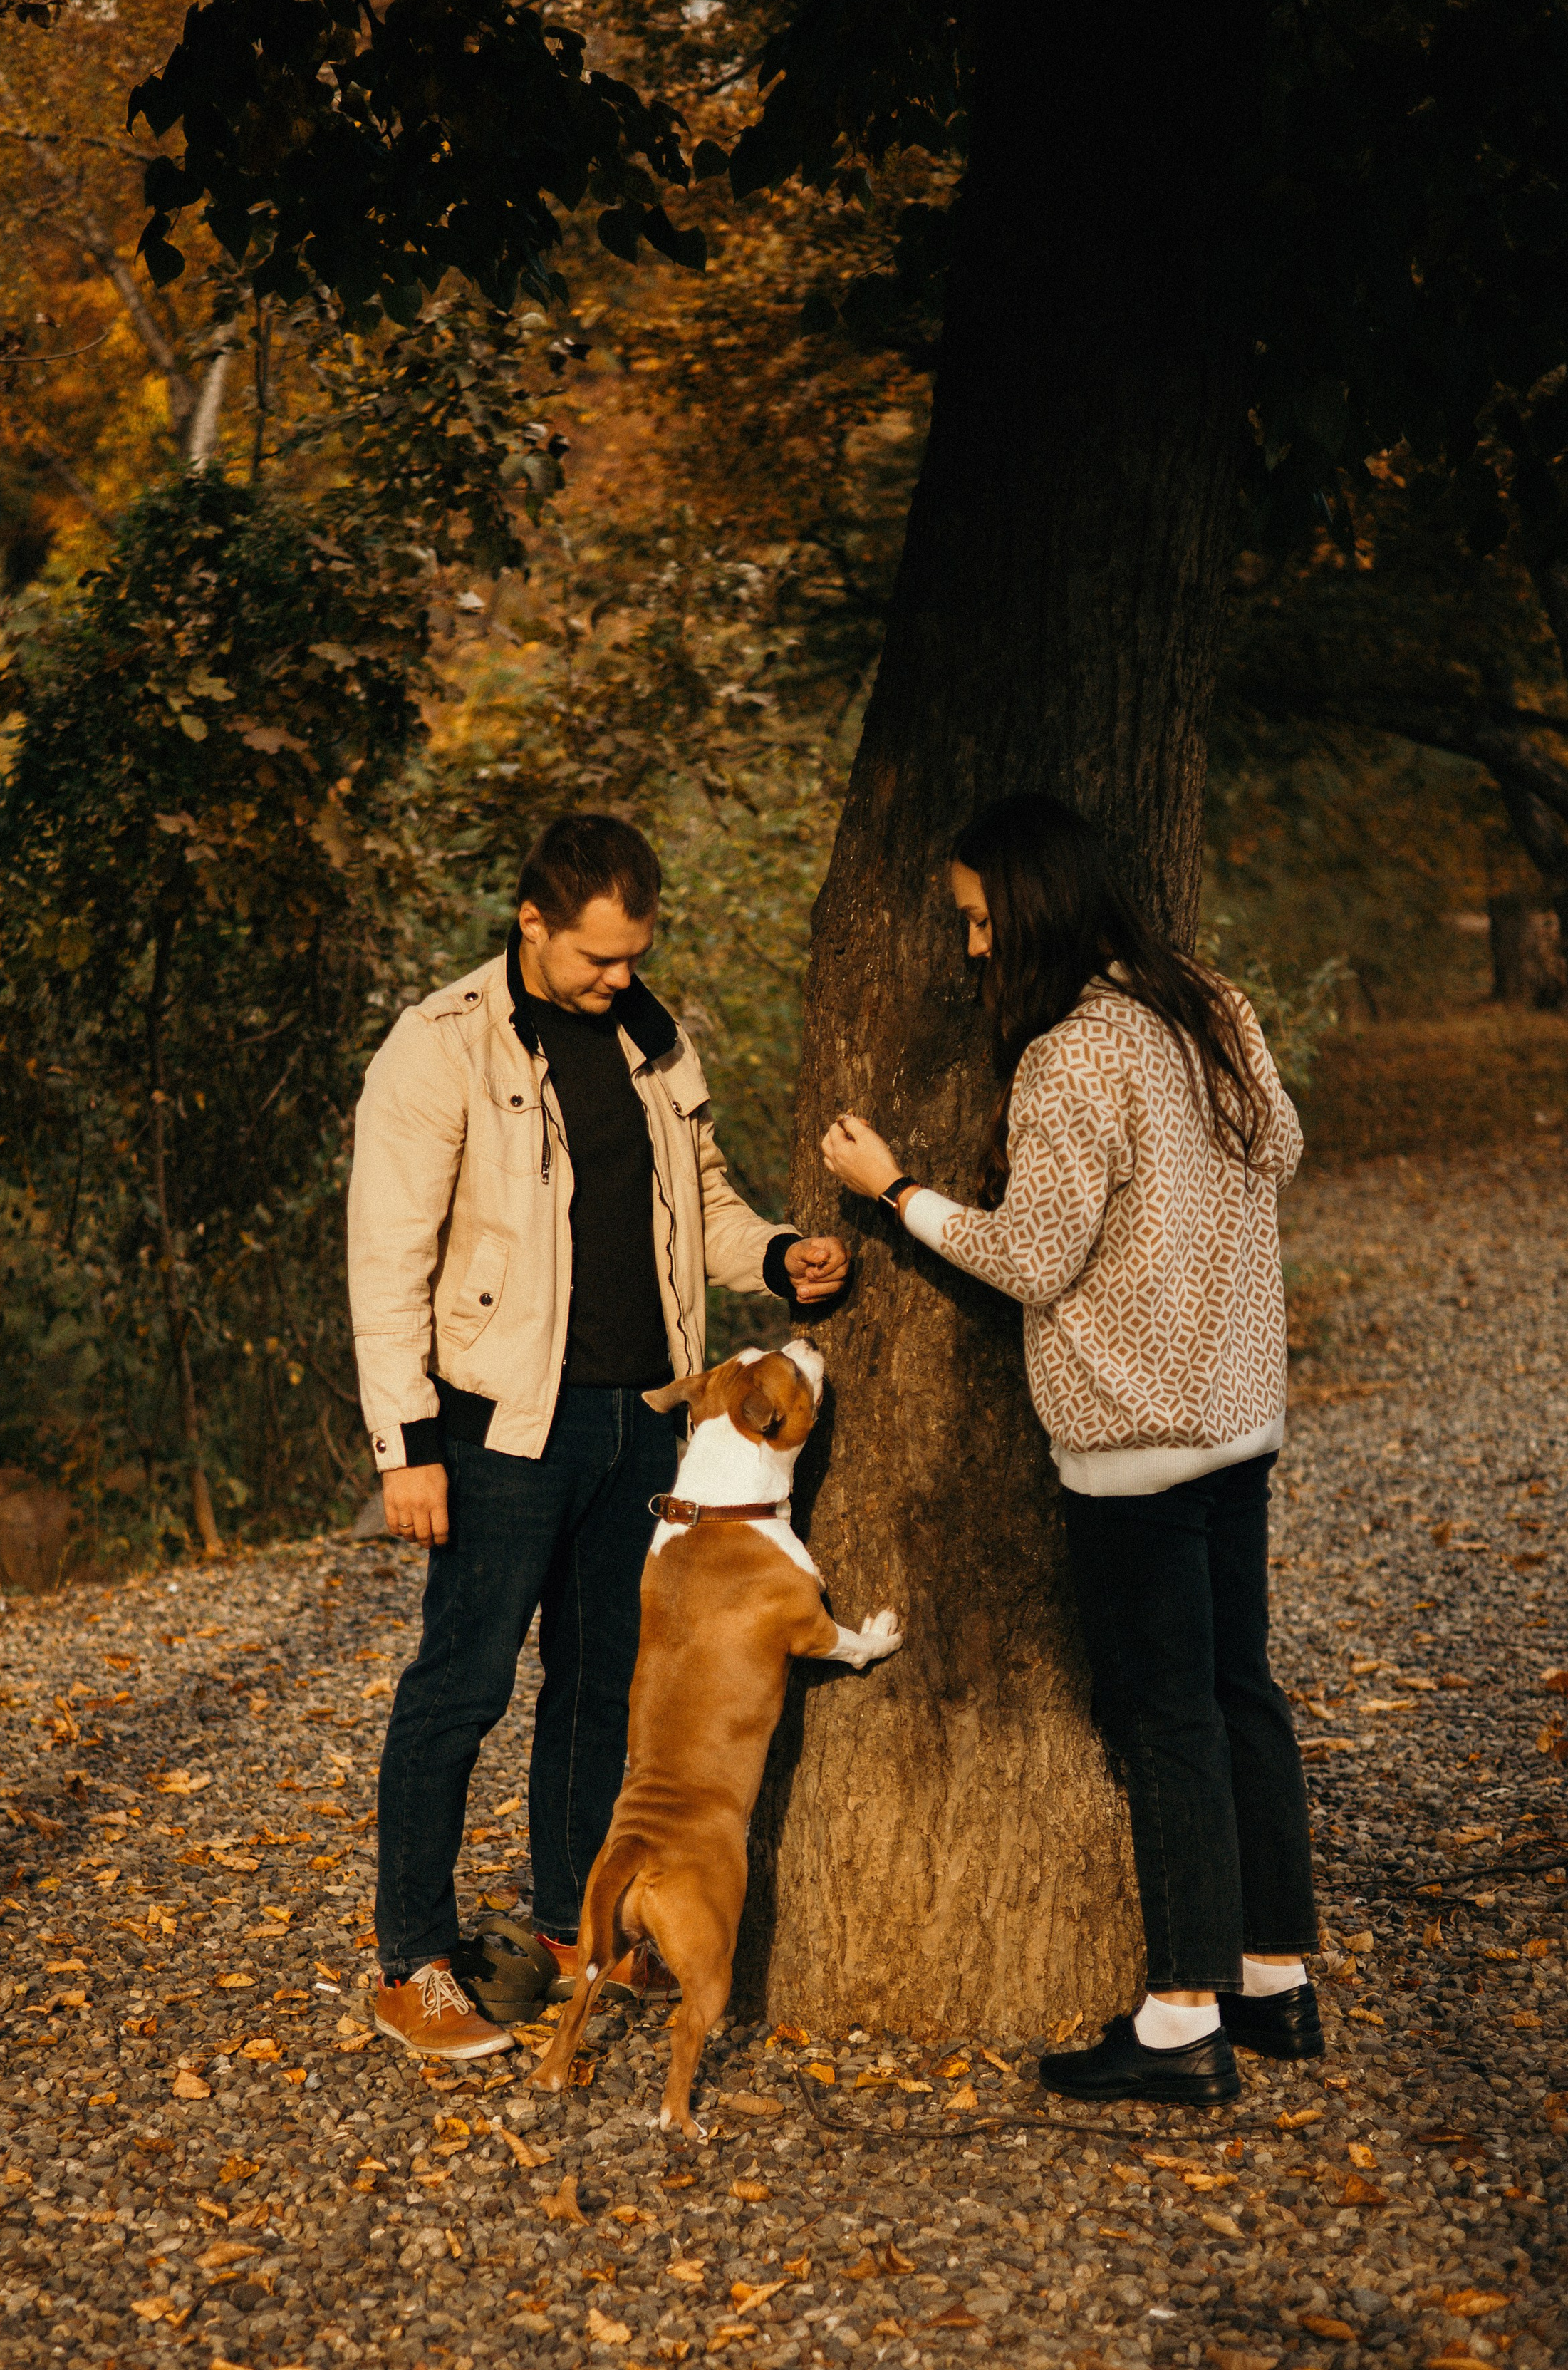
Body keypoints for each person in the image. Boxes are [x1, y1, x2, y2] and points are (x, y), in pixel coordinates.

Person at [819, 792, 1320, 2107]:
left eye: (981, 921)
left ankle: (1180, 2019)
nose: (975, 949)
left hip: (1138, 1437)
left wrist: (894, 1192)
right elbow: (1284, 1143)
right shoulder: (1206, 1002)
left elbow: (1032, 1256)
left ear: (1032, 907)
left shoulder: (1072, 1058)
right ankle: (1278, 1980)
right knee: (1240, 1691)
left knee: (1166, 1720)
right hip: (1236, 1411)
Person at [348, 812, 850, 2059]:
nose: (619, 977)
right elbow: (386, 1258)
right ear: (533, 924)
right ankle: (411, 1962)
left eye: (633, 954)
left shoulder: (651, 1037)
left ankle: (577, 1936)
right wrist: (404, 1446)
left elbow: (703, 1207)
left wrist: (779, 1255)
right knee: (458, 1691)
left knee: (596, 1692)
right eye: (598, 958)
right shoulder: (440, 1046)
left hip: (645, 1424)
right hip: (503, 1427)